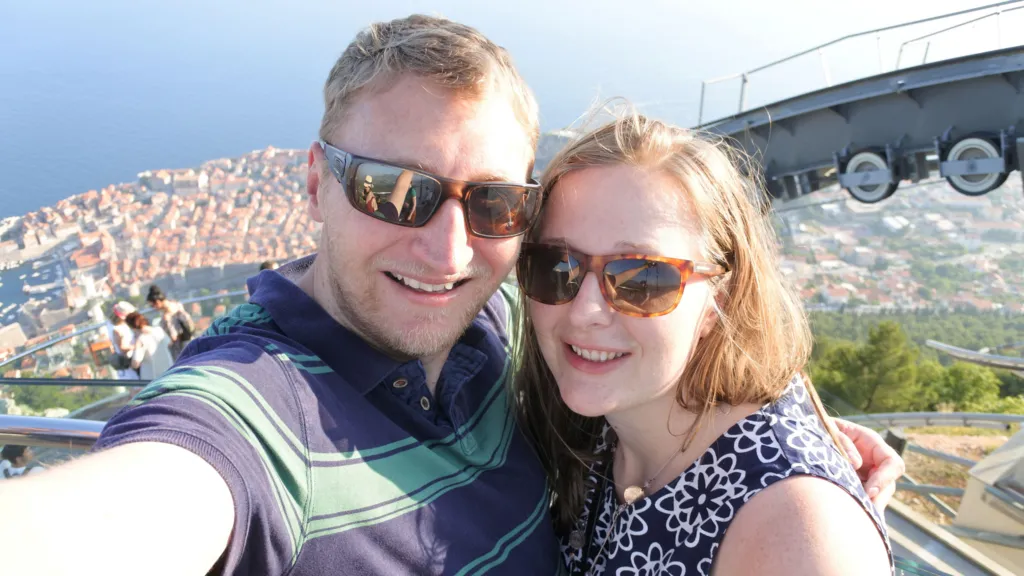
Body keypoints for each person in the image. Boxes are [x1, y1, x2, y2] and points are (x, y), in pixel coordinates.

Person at [0, 15, 902, 576]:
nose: (448, 250)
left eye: (497, 204)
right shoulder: (253, 411)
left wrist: (816, 500)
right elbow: (126, 512)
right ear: (315, 181)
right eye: (395, 191)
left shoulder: (509, 322)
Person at [514, 110, 893, 574]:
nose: (585, 310)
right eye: (557, 265)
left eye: (643, 278)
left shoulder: (795, 531)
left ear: (721, 298)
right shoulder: (603, 424)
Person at [146, 285, 195, 361]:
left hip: (180, 348)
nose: (153, 308)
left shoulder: (167, 316)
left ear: (158, 302)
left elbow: (173, 336)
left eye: (152, 305)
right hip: (190, 341)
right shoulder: (177, 305)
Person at [124, 312, 173, 381]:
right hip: (169, 370)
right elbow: (169, 343)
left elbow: (136, 363)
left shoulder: (141, 339)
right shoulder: (159, 330)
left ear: (132, 327)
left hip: (152, 378)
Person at [108, 301, 139, 380]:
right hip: (129, 361)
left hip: (129, 361)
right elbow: (123, 348)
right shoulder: (118, 330)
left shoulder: (111, 325)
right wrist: (136, 346)